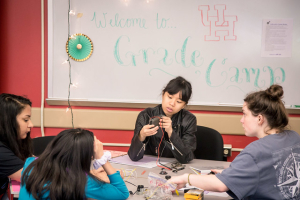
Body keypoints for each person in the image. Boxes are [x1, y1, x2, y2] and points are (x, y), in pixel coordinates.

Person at [168, 84, 300, 199]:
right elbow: (267, 173)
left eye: (244, 114)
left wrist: (186, 178)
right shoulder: (294, 137)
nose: (241, 120)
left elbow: (221, 185)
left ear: (260, 119)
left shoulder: (255, 152)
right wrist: (234, 174)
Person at [19, 128, 129, 200]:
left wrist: (91, 174)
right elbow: (122, 193)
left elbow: (59, 173)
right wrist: (102, 159)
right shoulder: (83, 182)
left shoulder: (30, 162)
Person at [128, 76, 197, 164]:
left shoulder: (189, 120)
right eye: (170, 97)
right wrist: (141, 136)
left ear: (184, 105)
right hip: (150, 166)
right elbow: (133, 156)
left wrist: (171, 133)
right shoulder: (146, 115)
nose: (172, 103)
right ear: (163, 94)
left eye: (179, 102)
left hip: (176, 167)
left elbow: (187, 157)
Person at [0, 93, 34, 199]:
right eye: (25, 120)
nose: (31, 125)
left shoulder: (11, 142)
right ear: (8, 121)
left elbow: (32, 160)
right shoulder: (1, 152)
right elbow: (35, 175)